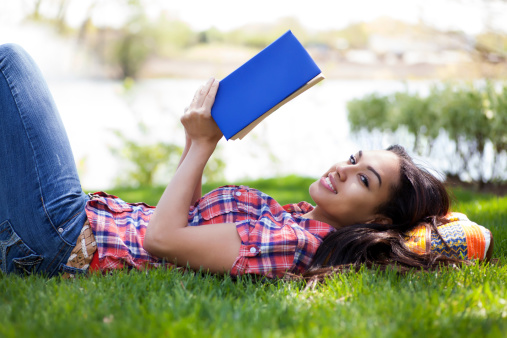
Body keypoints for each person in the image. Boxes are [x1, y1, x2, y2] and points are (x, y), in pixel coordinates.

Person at [0, 44, 492, 280]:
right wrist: (194, 138)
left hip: (66, 240)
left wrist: (203, 146)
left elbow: (163, 239)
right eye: (352, 159)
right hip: (81, 221)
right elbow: (186, 216)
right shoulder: (299, 217)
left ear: (378, 219)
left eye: (363, 178)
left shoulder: (295, 242)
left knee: (11, 64)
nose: (342, 169)